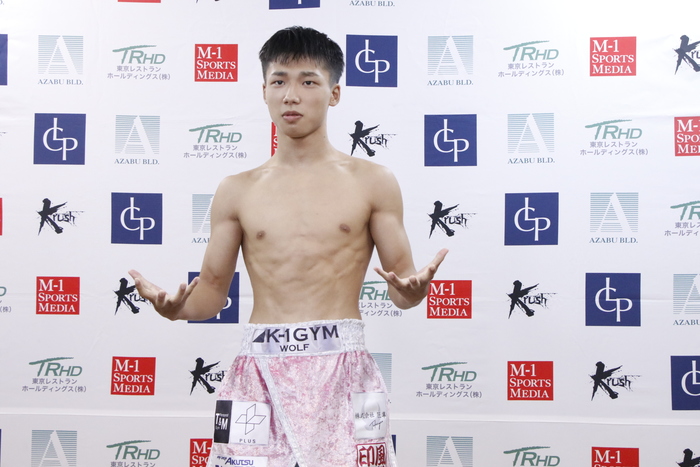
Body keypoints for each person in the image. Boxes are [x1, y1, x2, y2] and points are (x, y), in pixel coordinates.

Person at [129, 26, 447, 467]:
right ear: (264, 91)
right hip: (255, 369)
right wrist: (177, 309)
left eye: (308, 81)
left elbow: (402, 287)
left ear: (334, 93)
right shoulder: (236, 189)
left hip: (347, 369)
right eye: (279, 81)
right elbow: (212, 293)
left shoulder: (374, 182)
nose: (291, 95)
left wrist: (413, 291)